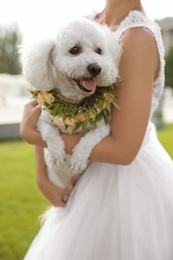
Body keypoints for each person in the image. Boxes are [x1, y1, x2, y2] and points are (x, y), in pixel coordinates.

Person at [20, 0, 173, 259]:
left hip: (123, 186)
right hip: (80, 179)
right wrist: (42, 174)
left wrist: (34, 135)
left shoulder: (137, 38)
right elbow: (48, 100)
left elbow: (124, 151)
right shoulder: (88, 21)